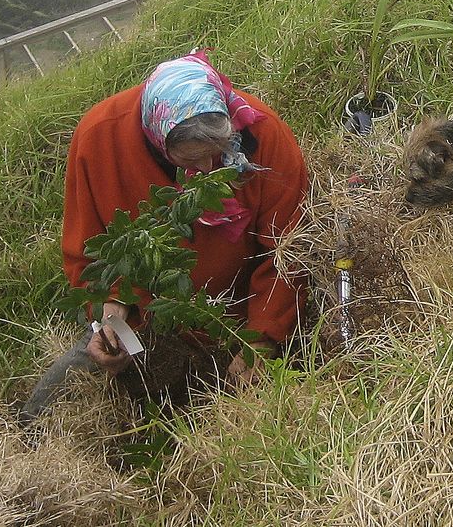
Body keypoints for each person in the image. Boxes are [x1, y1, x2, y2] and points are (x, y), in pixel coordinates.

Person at [61, 50, 308, 390]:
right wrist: (112, 317)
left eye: (217, 153)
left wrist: (262, 339)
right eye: (192, 158)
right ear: (158, 139)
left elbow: (288, 250)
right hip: (151, 323)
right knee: (55, 397)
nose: (207, 169)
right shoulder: (99, 140)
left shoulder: (265, 136)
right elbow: (88, 252)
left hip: (240, 319)